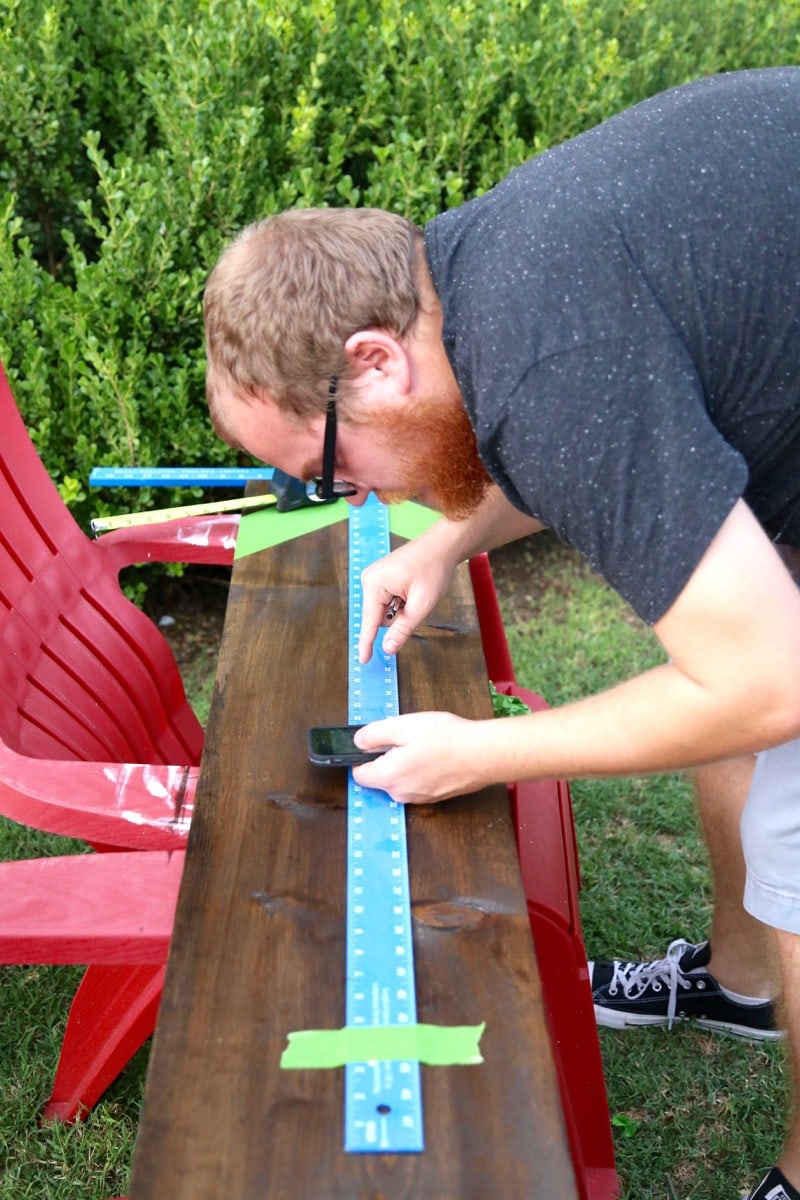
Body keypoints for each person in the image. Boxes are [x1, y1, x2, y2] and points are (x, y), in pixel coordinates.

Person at [204, 67, 800, 1200]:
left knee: (788, 790)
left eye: (326, 466)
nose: (340, 491)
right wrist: (444, 542)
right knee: (730, 632)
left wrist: (482, 752)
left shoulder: (542, 360)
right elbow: (560, 407)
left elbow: (768, 682)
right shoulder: (481, 269)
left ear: (373, 361)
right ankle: (739, 987)